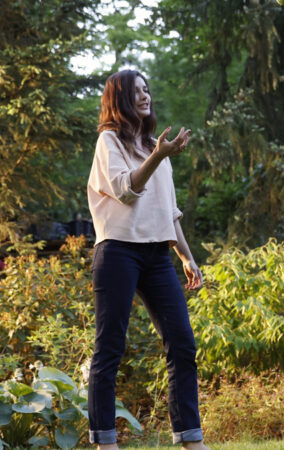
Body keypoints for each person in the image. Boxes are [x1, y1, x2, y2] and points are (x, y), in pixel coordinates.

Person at [86, 69, 209, 450]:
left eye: (147, 89)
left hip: (157, 255)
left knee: (182, 344)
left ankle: (190, 438)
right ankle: (106, 441)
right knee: (110, 348)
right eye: (137, 91)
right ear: (120, 98)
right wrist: (158, 155)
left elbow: (168, 212)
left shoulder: (157, 145)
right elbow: (127, 191)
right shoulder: (109, 141)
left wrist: (187, 258)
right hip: (118, 251)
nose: (146, 95)